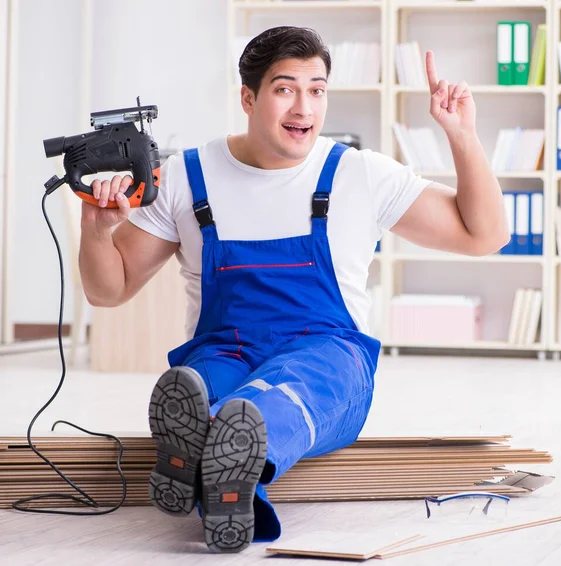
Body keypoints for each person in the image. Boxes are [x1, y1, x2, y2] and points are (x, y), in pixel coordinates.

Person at [79, 26, 509, 553]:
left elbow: (484, 234)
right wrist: (97, 230)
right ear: (248, 97)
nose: (304, 106)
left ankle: (205, 445)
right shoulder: (188, 178)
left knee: (293, 387)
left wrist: (461, 135)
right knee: (206, 381)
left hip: (327, 356)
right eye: (285, 88)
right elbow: (109, 289)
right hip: (226, 350)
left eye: (317, 89)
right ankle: (222, 460)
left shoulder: (360, 175)